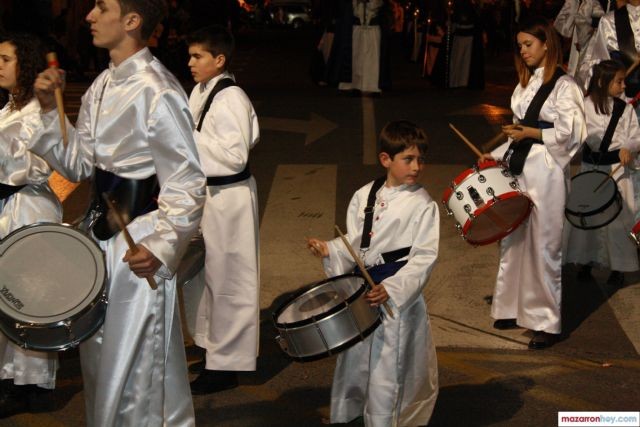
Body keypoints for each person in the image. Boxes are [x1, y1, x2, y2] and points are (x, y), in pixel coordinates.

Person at [31, 0, 206, 425]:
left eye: (101, 7)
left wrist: (162, 246)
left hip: (137, 246)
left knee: (138, 368)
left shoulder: (158, 89)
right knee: (103, 362)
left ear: (131, 21)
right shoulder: (104, 84)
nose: (89, 16)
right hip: (98, 241)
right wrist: (50, 108)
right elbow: (76, 165)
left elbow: (186, 181)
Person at [307, 120, 439, 426]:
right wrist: (330, 249)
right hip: (363, 292)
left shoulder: (423, 205)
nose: (416, 167)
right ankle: (350, 412)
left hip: (393, 297)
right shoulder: (365, 194)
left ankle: (383, 420)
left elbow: (424, 257)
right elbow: (356, 241)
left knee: (387, 365)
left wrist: (393, 288)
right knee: (355, 357)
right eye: (408, 159)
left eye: (420, 159)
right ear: (386, 160)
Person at [479, 16, 587, 349]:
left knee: (543, 246)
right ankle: (511, 307)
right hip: (521, 167)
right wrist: (495, 155)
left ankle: (545, 321)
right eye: (520, 46)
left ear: (546, 44)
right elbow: (518, 132)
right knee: (515, 238)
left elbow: (575, 133)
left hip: (547, 171)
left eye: (529, 44)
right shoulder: (525, 82)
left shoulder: (565, 85)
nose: (523, 51)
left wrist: (534, 132)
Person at [185, 25, 260, 395]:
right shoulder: (202, 90)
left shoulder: (231, 98)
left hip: (228, 198)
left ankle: (226, 364)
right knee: (206, 276)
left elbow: (234, 157)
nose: (190, 63)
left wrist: (186, 139)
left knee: (229, 280)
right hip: (208, 197)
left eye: (197, 56)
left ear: (219, 60)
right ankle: (211, 346)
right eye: (190, 56)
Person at [0, 32, 61, 419]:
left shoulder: (38, 112)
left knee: (31, 294)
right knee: (8, 293)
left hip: (28, 207)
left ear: (26, 64)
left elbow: (33, 165)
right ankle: (11, 378)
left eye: (5, 59)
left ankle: (33, 384)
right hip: (9, 205)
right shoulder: (8, 108)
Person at [564, 60, 640, 286]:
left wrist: (629, 147)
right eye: (619, 81)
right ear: (601, 81)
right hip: (591, 170)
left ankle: (619, 268)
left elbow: (635, 136)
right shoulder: (584, 106)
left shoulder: (625, 108)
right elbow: (574, 136)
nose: (624, 85)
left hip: (617, 173)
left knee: (618, 221)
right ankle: (585, 262)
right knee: (587, 217)